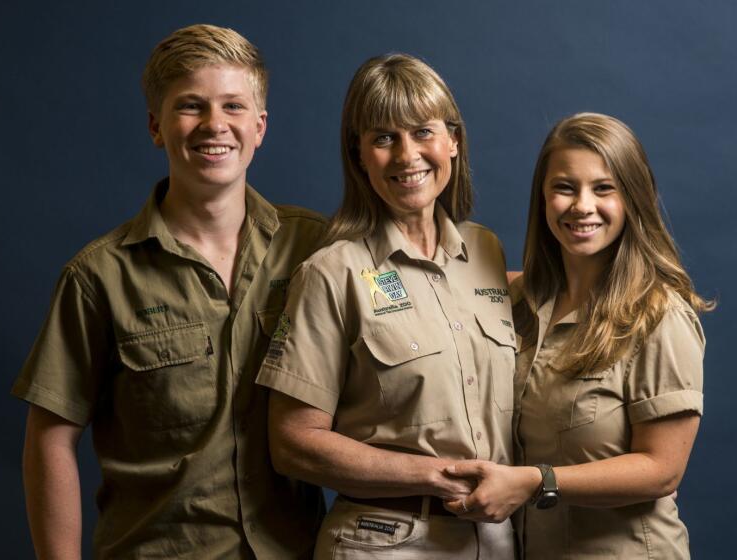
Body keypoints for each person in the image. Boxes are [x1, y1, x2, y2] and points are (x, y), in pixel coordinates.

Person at [12, 24, 324, 559]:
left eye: (233, 106)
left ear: (260, 126)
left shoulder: (317, 248)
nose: (214, 125)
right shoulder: (98, 276)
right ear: (157, 126)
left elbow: (408, 292)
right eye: (190, 106)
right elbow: (50, 438)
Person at [255, 53, 519, 559]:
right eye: (382, 138)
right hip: (386, 541)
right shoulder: (331, 273)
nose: (406, 155)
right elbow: (292, 442)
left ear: (453, 142)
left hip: (498, 540)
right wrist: (437, 475)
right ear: (358, 156)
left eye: (423, 132)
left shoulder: (485, 252)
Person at [443, 113, 713, 558]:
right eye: (565, 187)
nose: (581, 206)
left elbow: (663, 470)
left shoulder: (658, 314)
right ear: (543, 198)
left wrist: (535, 482)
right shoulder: (516, 302)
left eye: (603, 188)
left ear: (632, 199)